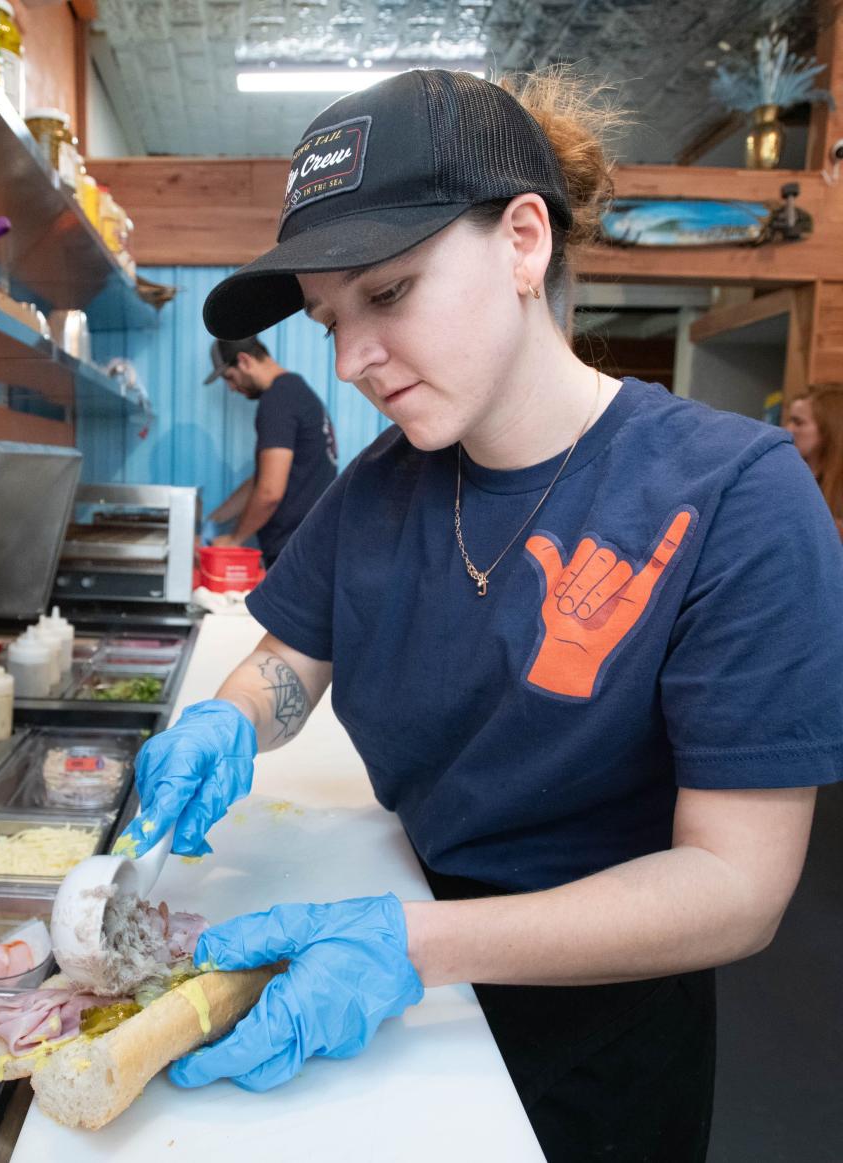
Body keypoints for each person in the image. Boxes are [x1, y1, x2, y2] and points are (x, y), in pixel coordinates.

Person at [117, 68, 843, 1162]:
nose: (353, 358)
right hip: (387, 994)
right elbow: (290, 660)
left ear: (522, 241)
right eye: (329, 318)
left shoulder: (734, 494)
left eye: (390, 293)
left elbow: (737, 885)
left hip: (594, 1028)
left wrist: (419, 944)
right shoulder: (380, 487)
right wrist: (227, 722)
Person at [204, 335, 337, 567]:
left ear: (244, 361)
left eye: (229, 378)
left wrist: (234, 540)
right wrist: (214, 520)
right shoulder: (296, 391)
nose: (232, 388)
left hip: (294, 552)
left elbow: (269, 492)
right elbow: (263, 480)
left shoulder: (277, 399)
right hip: (311, 546)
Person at [784, 386, 843, 540]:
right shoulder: (788, 475)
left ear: (828, 429)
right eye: (789, 421)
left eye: (798, 422)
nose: (786, 430)